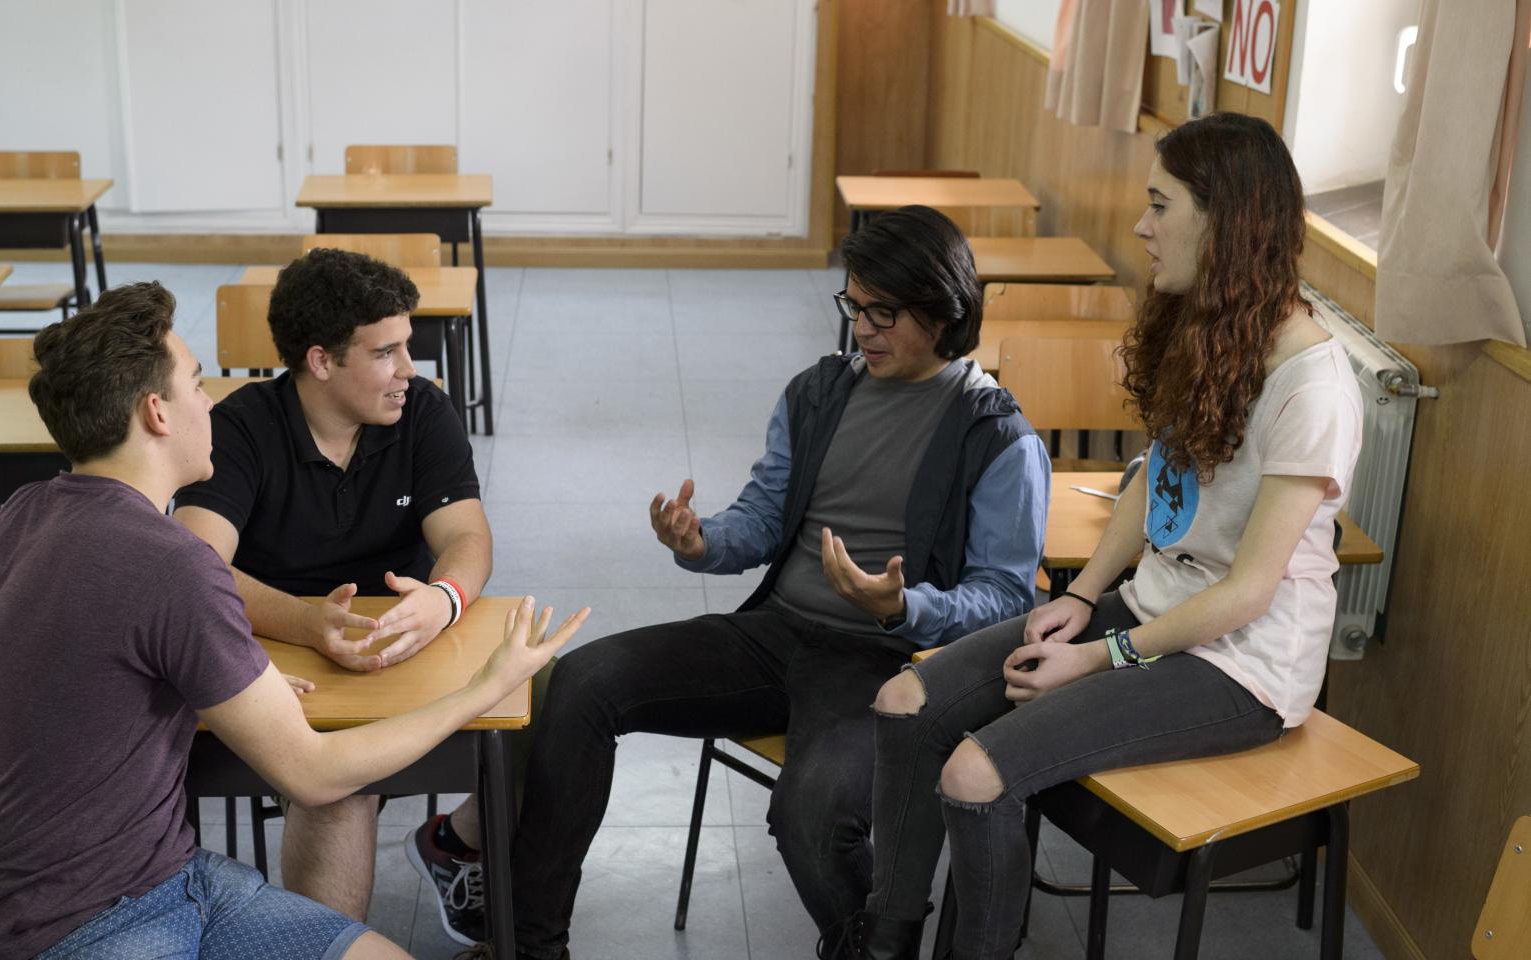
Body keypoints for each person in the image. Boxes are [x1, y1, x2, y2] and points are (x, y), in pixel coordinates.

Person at [458, 205, 1051, 960]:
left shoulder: (997, 436)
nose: (863, 329)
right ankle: (530, 947)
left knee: (809, 810)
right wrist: (703, 539)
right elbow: (764, 516)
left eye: (884, 313)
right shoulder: (819, 392)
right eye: (854, 305)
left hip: (883, 663)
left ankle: (870, 948)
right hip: (775, 634)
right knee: (577, 685)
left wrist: (904, 605)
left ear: (944, 311)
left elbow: (1005, 600)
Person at [847, 113, 1365, 960]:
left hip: (1242, 661)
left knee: (975, 775)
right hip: (1149, 611)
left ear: (1224, 220)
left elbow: (1247, 593)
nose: (1140, 226)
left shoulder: (1314, 387)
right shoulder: (1213, 327)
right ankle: (888, 940)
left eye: (1160, 206)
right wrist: (1082, 596)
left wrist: (1096, 656)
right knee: (906, 703)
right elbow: (1147, 485)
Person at [0, 282, 587, 959]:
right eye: (197, 386)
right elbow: (314, 774)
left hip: (180, 881)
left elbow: (102, 668)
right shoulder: (172, 564)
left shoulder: (22, 514)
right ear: (157, 414)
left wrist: (234, 673)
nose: (211, 402)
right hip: (85, 929)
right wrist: (484, 688)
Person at [174, 249, 496, 943]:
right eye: (386, 353)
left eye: (407, 347)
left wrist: (444, 600)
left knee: (556, 711)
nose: (408, 369)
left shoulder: (422, 411)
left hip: (403, 653)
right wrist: (306, 621)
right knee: (341, 794)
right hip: (286, 674)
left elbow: (468, 536)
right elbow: (194, 564)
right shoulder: (241, 428)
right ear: (320, 362)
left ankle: (457, 843)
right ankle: (326, 945)